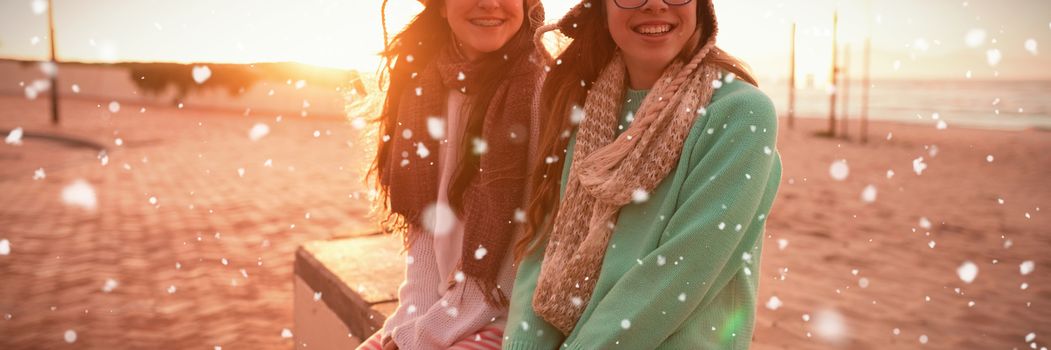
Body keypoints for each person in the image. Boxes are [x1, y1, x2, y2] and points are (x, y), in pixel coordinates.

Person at [503, 0, 782, 348]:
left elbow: (681, 271)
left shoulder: (739, 113)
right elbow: (544, 246)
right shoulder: (581, 104)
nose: (654, 4)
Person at [357, 0, 545, 349]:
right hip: (448, 311)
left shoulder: (539, 94)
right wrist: (408, 322)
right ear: (441, 7)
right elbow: (426, 233)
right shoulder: (424, 88)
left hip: (512, 318)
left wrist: (423, 336)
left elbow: (512, 264)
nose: (490, 3)